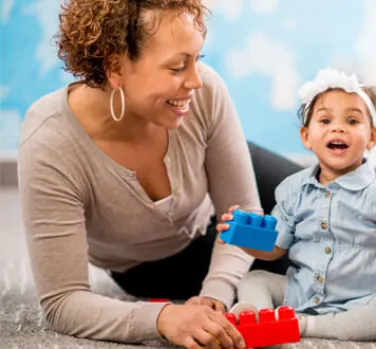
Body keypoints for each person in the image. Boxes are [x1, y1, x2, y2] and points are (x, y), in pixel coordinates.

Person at [17, 1, 300, 348]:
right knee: (315, 262)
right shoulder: (51, 141)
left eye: (198, 60)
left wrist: (217, 291)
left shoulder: (204, 92)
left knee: (343, 209)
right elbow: (63, 302)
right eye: (179, 66)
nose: (197, 81)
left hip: (223, 184)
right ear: (115, 65)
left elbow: (245, 213)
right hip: (155, 260)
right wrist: (164, 318)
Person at [219, 68, 376, 341]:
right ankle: (257, 316)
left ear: (372, 137)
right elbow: (275, 248)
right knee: (254, 279)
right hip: (302, 290)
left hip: (363, 299)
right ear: (306, 136)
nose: (338, 127)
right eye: (325, 120)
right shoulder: (292, 189)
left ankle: (302, 326)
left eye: (352, 121)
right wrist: (243, 238)